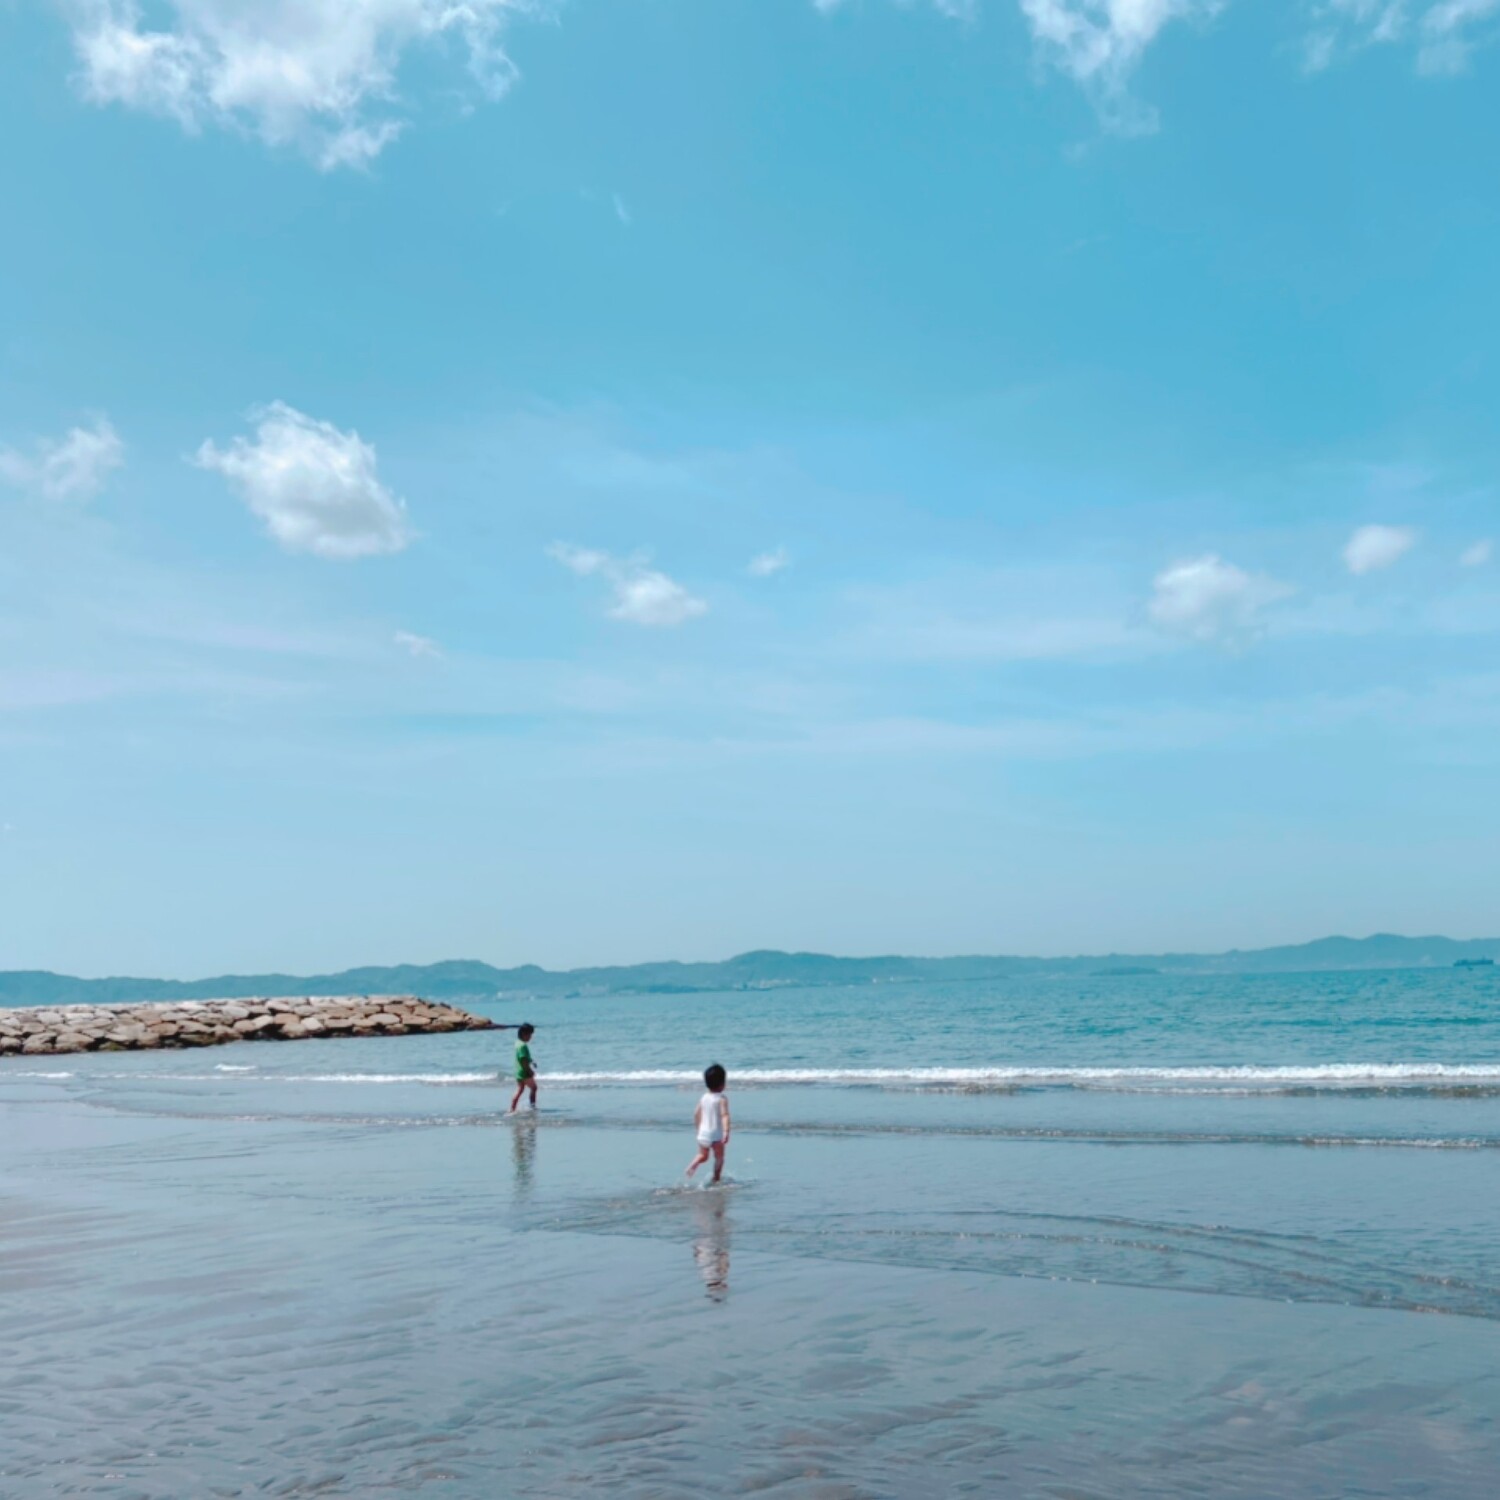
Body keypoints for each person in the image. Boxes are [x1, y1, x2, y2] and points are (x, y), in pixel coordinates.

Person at [686, 1062, 730, 1184]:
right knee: (719, 1158)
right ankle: (716, 1178)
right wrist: (726, 1131)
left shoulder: (704, 1097)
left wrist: (698, 1129)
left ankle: (693, 1164)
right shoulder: (721, 1099)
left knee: (703, 1156)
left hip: (703, 1134)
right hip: (716, 1136)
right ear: (722, 1084)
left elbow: (696, 1113)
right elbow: (724, 1115)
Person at [509, 1023, 538, 1113]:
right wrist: (529, 1071)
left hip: (518, 1071)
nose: (530, 1037)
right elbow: (523, 1060)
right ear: (524, 1034)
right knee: (534, 1088)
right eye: (529, 1035)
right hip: (524, 1071)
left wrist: (531, 1061)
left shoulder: (518, 1043)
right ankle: (532, 1107)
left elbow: (524, 1057)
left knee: (520, 1089)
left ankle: (512, 1109)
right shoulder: (523, 1046)